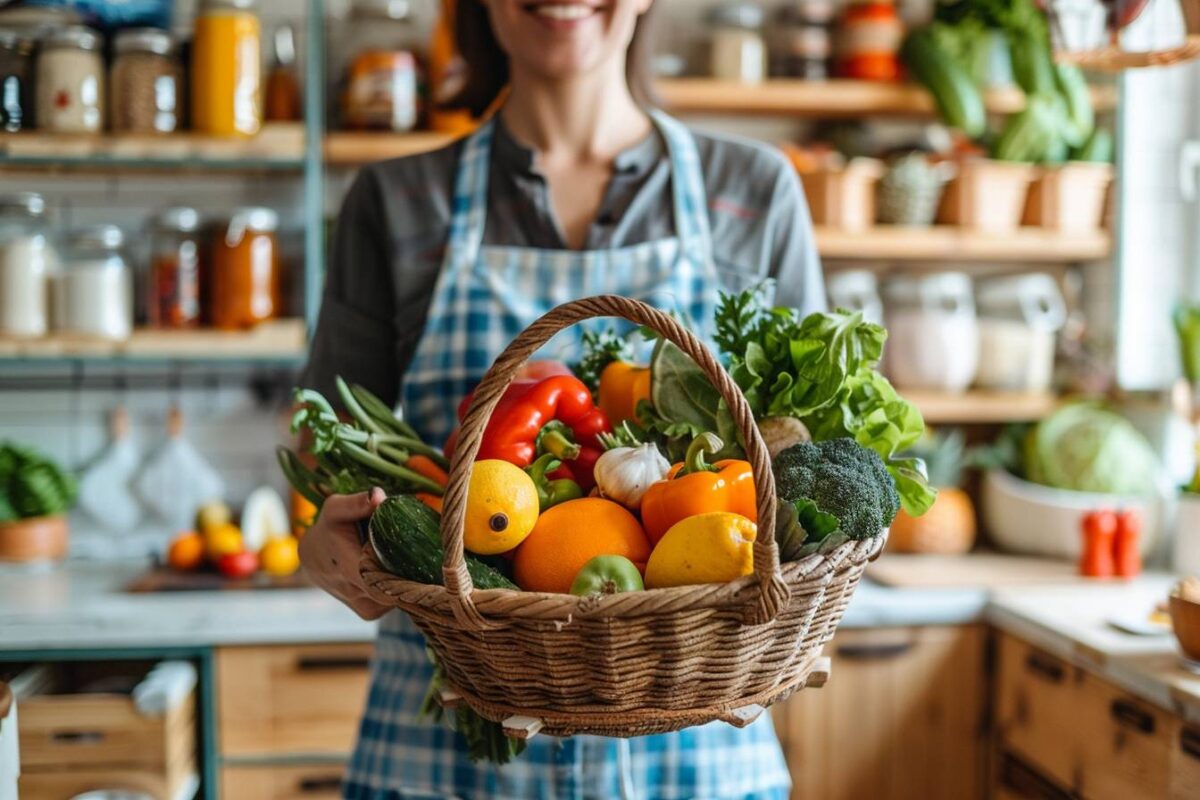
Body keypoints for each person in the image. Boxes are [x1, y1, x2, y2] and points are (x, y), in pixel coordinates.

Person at [300, 1, 825, 797]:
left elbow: (807, 466)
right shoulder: (397, 202)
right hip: (443, 760)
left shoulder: (751, 193)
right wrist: (332, 544)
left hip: (697, 759)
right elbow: (323, 452)